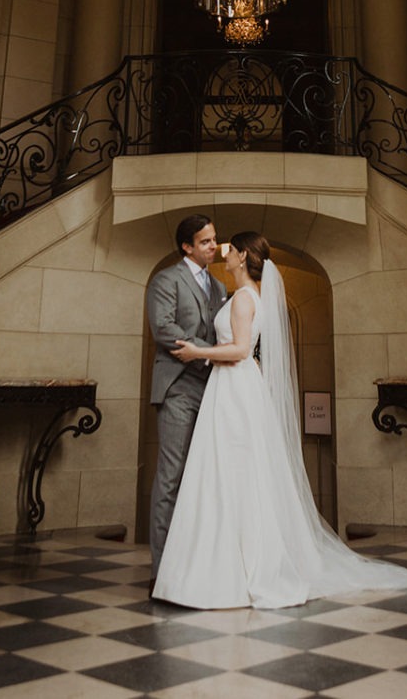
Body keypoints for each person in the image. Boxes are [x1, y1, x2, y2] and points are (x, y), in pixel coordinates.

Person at [153, 231, 407, 609]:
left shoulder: (244, 298)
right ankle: (218, 564)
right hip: (231, 388)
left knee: (234, 471)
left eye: (230, 250)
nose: (224, 254)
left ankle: (230, 570)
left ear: (242, 257)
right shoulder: (243, 295)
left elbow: (243, 349)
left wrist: (198, 352)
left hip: (234, 388)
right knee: (230, 471)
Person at [146, 214, 228, 592]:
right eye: (206, 241)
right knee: (171, 477)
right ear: (187, 246)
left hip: (213, 387)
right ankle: (162, 571)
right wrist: (211, 352)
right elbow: (163, 329)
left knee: (204, 479)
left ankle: (197, 564)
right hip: (178, 387)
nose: (213, 246)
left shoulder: (218, 286)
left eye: (214, 240)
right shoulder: (166, 279)